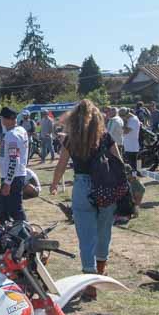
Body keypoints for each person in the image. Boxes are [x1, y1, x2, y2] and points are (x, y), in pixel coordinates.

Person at [49, 99, 120, 301]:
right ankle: (100, 270)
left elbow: (61, 164)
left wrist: (54, 183)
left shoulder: (72, 140)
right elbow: (118, 162)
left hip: (82, 186)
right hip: (105, 186)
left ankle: (90, 284)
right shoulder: (105, 137)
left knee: (86, 236)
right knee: (104, 230)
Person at [0, 107, 29, 224]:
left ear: (8, 119)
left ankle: (26, 235)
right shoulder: (21, 130)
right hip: (17, 175)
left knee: (14, 210)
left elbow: (14, 160)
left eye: (2, 118)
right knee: (2, 209)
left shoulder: (12, 135)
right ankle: (8, 233)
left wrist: (7, 182)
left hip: (12, 178)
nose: (1, 121)